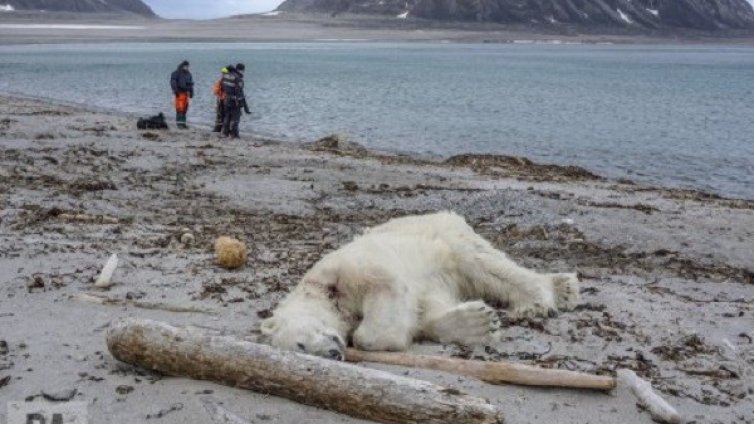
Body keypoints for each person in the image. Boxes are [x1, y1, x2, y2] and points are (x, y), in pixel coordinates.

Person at [221, 63, 251, 138]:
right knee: (235, 118)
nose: (243, 72)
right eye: (243, 71)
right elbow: (239, 91)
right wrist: (240, 101)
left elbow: (223, 86)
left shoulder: (226, 75)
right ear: (241, 70)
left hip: (226, 99)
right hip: (235, 101)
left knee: (227, 116)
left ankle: (225, 133)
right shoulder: (238, 78)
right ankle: (234, 134)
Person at [170, 60, 194, 129]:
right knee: (180, 109)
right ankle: (179, 124)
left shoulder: (188, 74)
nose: (187, 67)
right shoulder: (176, 73)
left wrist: (191, 92)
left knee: (185, 109)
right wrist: (175, 91)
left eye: (188, 66)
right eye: (186, 66)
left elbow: (190, 84)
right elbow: (173, 82)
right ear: (183, 66)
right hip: (179, 93)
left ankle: (183, 124)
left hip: (186, 93)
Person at [212, 65, 233, 132]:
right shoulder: (223, 80)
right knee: (223, 114)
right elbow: (217, 90)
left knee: (220, 114)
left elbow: (216, 91)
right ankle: (220, 129)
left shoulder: (221, 80)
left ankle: (218, 128)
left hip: (221, 99)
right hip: (223, 99)